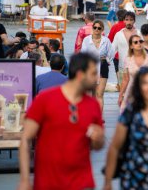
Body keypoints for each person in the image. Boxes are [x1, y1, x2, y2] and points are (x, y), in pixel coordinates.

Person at [18, 53, 104, 190]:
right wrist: (24, 179)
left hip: (81, 182)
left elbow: (97, 146)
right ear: (81, 74)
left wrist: (98, 139)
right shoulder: (45, 99)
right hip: (48, 181)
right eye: (93, 74)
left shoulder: (93, 105)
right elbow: (26, 139)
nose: (96, 79)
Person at [81, 20, 114, 110]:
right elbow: (83, 54)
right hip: (90, 68)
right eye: (95, 27)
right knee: (90, 93)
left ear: (102, 29)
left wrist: (106, 60)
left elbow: (111, 53)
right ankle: (89, 115)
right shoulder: (86, 40)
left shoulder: (106, 40)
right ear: (92, 28)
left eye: (99, 28)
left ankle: (99, 117)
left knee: (99, 93)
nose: (97, 30)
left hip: (102, 66)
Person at [118, 35, 148, 110]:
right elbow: (125, 79)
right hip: (132, 91)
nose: (139, 43)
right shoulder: (127, 59)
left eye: (141, 41)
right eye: (135, 42)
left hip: (147, 92)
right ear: (131, 46)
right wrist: (120, 95)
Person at [112, 11, 141, 90]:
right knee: (123, 91)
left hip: (137, 67)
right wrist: (105, 60)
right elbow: (112, 49)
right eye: (127, 19)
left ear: (134, 21)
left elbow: (144, 49)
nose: (129, 22)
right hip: (123, 67)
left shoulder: (139, 33)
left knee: (136, 92)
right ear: (124, 21)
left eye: (131, 20)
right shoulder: (118, 34)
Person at [107, 9, 127, 89]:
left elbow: (110, 40)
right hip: (128, 54)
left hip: (117, 55)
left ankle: (120, 85)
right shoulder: (130, 27)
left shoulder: (115, 26)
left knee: (118, 71)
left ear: (117, 17)